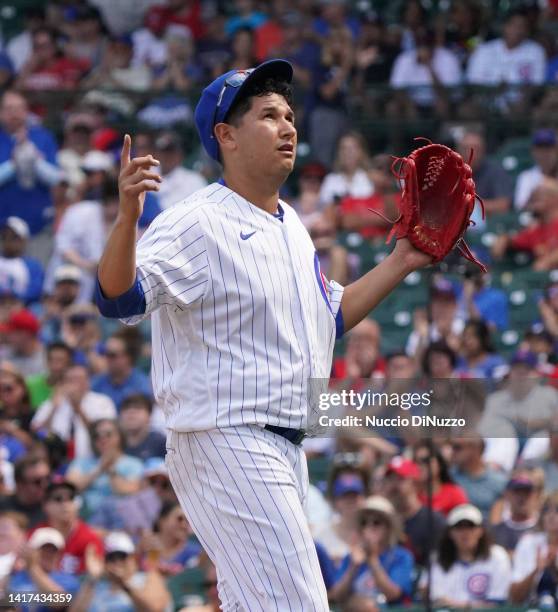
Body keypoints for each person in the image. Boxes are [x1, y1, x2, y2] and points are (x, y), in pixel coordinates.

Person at [94, 58, 432, 609]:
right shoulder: (196, 220)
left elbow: (332, 316)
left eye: (290, 115)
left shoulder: (292, 225)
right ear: (226, 135)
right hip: (228, 436)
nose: (288, 126)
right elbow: (119, 297)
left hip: (279, 445)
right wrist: (127, 217)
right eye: (269, 115)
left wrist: (401, 261)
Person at [329, 495, 414, 609]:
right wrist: (353, 566)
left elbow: (393, 594)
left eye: (376, 522)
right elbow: (337, 596)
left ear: (388, 528)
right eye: (364, 523)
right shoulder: (351, 557)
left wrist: (372, 559)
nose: (369, 527)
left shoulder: (401, 557)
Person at [422, 503, 512, 608]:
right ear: (450, 532)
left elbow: (497, 603)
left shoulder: (497, 556)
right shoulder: (438, 558)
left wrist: (459, 605)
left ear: (480, 530)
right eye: (459, 527)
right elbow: (434, 598)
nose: (465, 533)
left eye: (471, 526)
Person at [0, 90, 60, 237]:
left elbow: (56, 179)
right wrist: (13, 164)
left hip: (38, 222)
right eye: (9, 109)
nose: (15, 114)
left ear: (26, 111)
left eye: (19, 108)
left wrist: (34, 158)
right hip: (2, 224)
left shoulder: (43, 137)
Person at [70, 530, 171, 612]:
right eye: (111, 558)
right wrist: (92, 578)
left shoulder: (148, 578)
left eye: (122, 556)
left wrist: (124, 585)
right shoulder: (96, 586)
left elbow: (154, 609)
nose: (117, 562)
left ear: (133, 558)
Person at [32, 364, 116, 459]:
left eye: (79, 379)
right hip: (57, 460)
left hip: (91, 459)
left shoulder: (102, 402)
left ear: (88, 381)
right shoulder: (52, 402)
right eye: (70, 380)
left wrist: (78, 408)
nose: (74, 384)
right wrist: (53, 409)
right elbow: (38, 432)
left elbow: (104, 433)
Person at [66, 418, 143, 518]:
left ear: (120, 436)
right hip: (85, 516)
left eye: (108, 434)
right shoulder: (81, 462)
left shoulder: (134, 464)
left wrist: (111, 470)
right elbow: (70, 488)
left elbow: (127, 491)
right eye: (97, 436)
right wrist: (100, 468)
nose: (102, 439)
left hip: (118, 518)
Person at [382, 455, 446, 566]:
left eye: (400, 479)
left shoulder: (433, 520)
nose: (393, 485)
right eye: (390, 479)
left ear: (415, 483)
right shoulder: (380, 520)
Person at [8, 526, 80, 608]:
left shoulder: (68, 580)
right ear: (33, 551)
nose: (48, 554)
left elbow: (58, 602)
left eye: (53, 550)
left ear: (59, 554)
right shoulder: (17, 576)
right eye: (43, 549)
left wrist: (33, 568)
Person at [510, 491, 558, 604]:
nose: (551, 515)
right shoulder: (528, 543)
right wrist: (536, 570)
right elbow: (514, 597)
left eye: (557, 510)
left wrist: (554, 571)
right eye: (546, 510)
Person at [450, 436, 507, 518]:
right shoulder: (448, 477)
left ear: (474, 450)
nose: (452, 452)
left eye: (457, 448)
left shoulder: (499, 481)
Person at [91, 333, 151, 408]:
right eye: (105, 353)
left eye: (112, 355)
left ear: (127, 357)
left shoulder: (142, 386)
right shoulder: (96, 383)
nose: (107, 358)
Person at [152, 132, 207, 210]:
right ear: (156, 154)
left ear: (180, 154)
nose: (166, 156)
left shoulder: (194, 180)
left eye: (171, 152)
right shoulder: (145, 176)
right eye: (163, 152)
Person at [413, 440, 468, 516]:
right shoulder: (412, 494)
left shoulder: (454, 493)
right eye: (416, 461)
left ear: (439, 464)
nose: (420, 466)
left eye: (426, 460)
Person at [490, 472, 541, 552]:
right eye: (517, 492)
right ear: (507, 495)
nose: (522, 498)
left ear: (535, 496)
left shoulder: (542, 530)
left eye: (526, 493)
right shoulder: (496, 532)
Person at [0, 217, 44, 305]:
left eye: (14, 237)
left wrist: (16, 301)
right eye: (5, 236)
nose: (8, 240)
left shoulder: (32, 265)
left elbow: (36, 290)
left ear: (24, 240)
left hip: (24, 307)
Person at [514, 128, 558, 210]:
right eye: (540, 148)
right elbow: (521, 207)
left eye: (548, 148)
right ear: (533, 151)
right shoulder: (526, 177)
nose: (545, 153)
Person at [119, 394, 165, 461]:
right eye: (126, 408)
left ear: (149, 415)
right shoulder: (113, 442)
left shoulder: (161, 443)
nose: (131, 412)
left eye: (138, 408)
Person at [0, 309, 46, 376]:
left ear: (25, 334)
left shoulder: (46, 359)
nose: (7, 335)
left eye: (11, 332)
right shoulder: (5, 353)